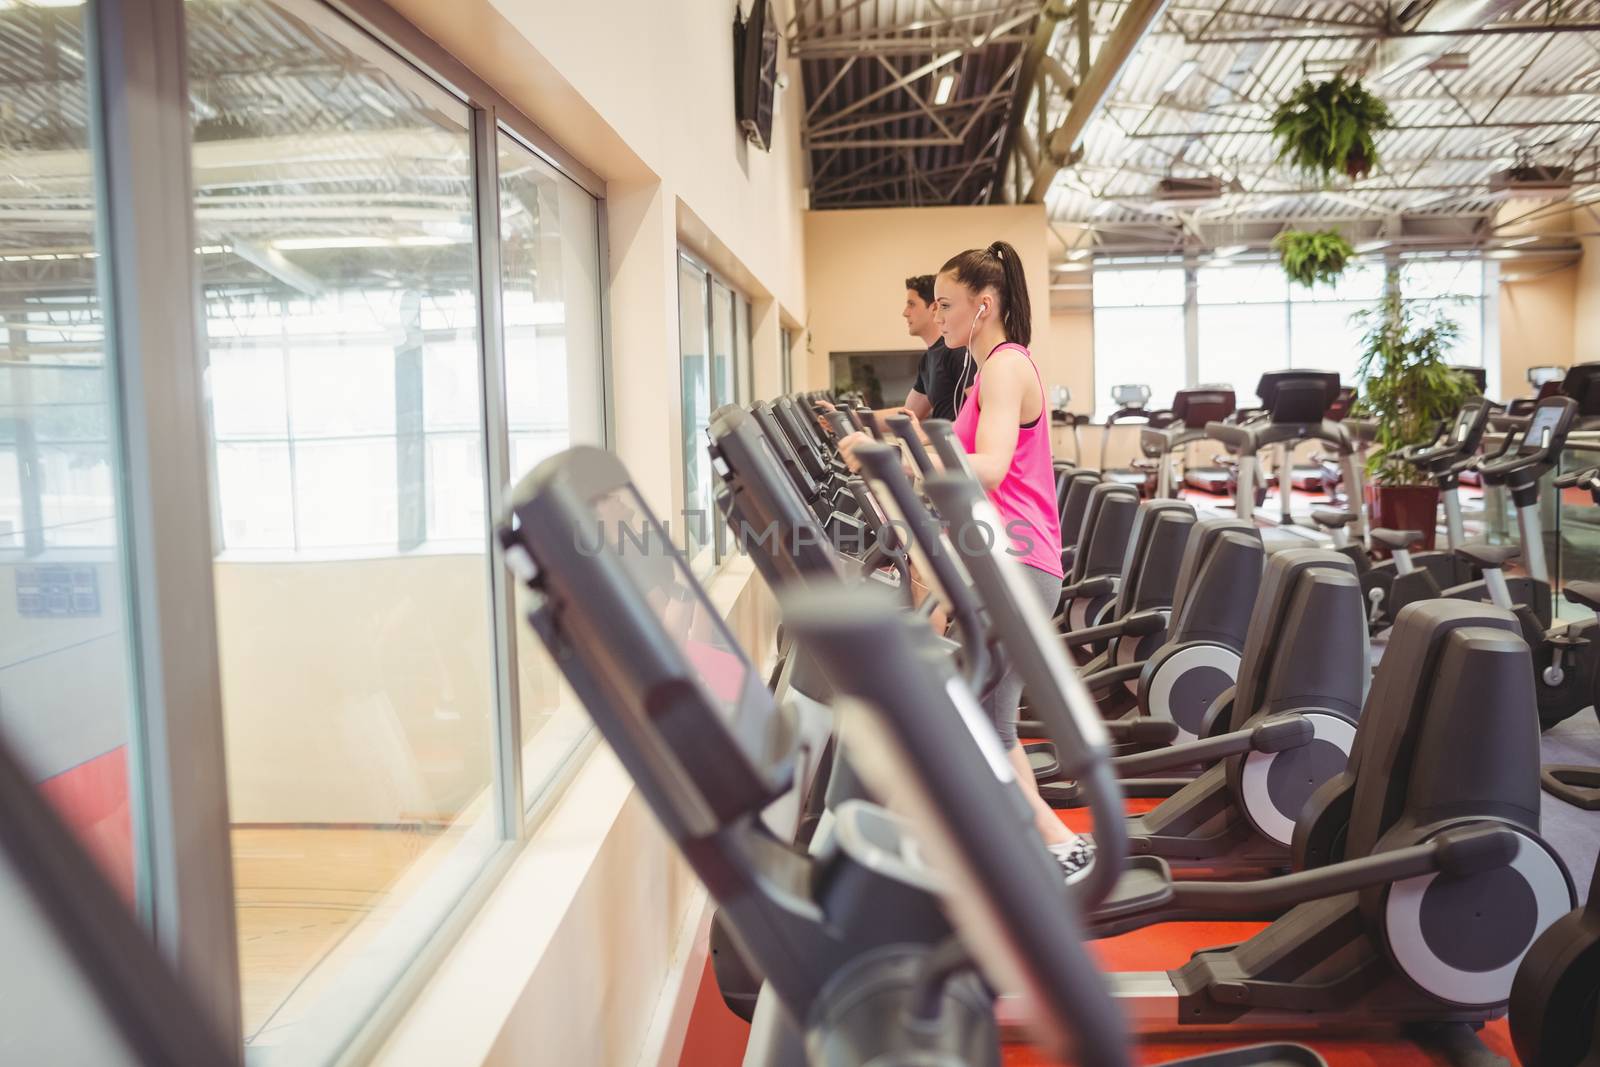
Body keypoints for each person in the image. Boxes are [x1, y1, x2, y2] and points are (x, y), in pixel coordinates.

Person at [936, 240, 1093, 883]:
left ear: (985, 305)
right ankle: (1046, 845)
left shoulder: (1003, 366)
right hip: (1008, 560)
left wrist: (913, 465)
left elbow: (992, 468)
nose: (939, 317)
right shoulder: (991, 368)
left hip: (1020, 562)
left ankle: (1057, 845)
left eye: (947, 305)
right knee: (989, 722)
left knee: (979, 724)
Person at [819, 275, 971, 425]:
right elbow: (907, 414)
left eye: (911, 304)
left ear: (934, 307)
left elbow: (981, 413)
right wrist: (846, 417)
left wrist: (926, 436)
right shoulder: (927, 360)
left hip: (960, 448)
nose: (905, 312)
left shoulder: (957, 351)